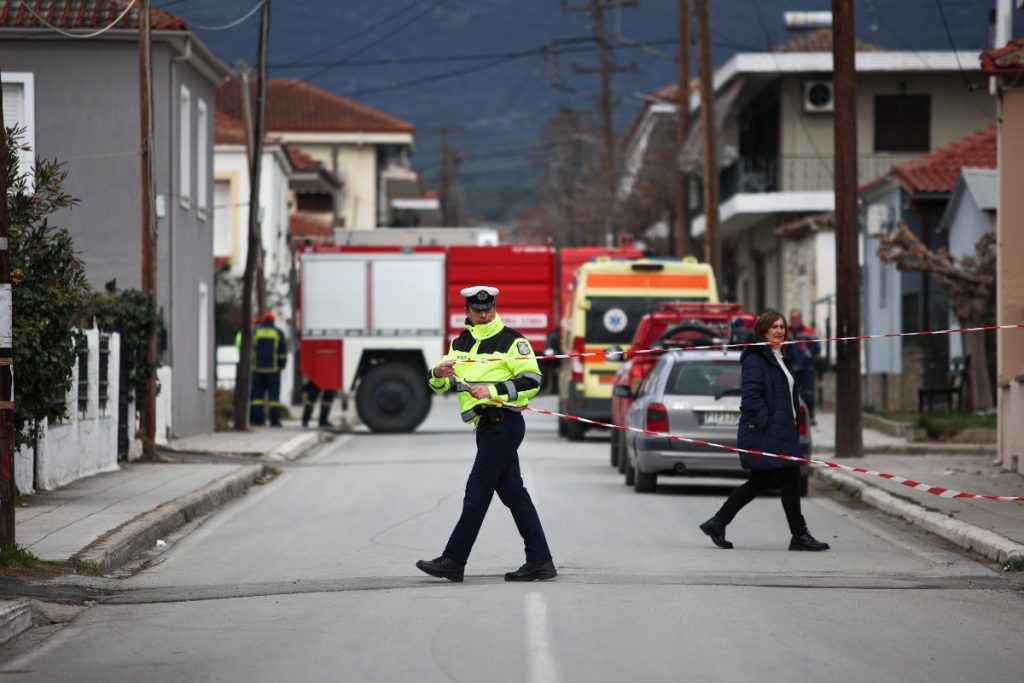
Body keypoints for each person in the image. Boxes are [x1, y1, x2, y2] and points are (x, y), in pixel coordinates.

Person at [416, 285, 556, 583]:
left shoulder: (513, 341)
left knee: (477, 492)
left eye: (488, 309)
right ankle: (540, 561)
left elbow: (532, 380)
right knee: (514, 494)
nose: (483, 314)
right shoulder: (461, 343)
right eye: (478, 310)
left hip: (503, 422)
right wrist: (437, 375)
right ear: (467, 312)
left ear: (494, 308)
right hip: (486, 426)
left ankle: (454, 560)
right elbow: (440, 384)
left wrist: (491, 390)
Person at [699, 309, 830, 552]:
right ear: (762, 330)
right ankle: (799, 535)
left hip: (782, 430)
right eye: (774, 326)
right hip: (767, 432)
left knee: (763, 481)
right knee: (786, 477)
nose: (779, 330)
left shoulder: (780, 356)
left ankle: (718, 522)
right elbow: (750, 397)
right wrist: (767, 425)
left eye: (782, 326)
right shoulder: (756, 359)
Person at [250, 311, 288, 427]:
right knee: (274, 398)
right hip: (273, 371)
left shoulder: (256, 332)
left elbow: (252, 350)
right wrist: (281, 365)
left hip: (258, 370)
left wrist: (252, 365)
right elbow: (282, 353)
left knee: (257, 397)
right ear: (273, 321)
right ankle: (274, 420)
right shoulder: (278, 333)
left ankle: (257, 420)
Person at [788, 308, 821, 426]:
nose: (795, 320)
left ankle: (811, 416)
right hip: (791, 369)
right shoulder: (787, 332)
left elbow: (817, 347)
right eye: (793, 318)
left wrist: (808, 356)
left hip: (806, 369)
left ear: (800, 319)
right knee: (791, 394)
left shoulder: (808, 331)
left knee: (808, 394)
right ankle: (793, 417)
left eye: (797, 318)